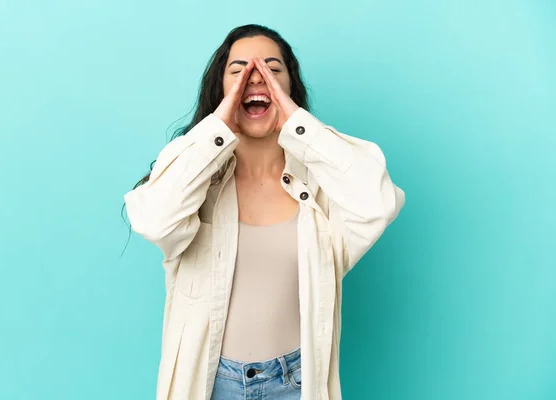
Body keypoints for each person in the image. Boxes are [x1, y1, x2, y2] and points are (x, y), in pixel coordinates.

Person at [124, 23, 405, 400]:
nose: (255, 79)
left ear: (290, 89)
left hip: (297, 382)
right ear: (220, 90)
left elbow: (378, 202)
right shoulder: (194, 181)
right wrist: (216, 129)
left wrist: (299, 125)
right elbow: (155, 220)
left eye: (273, 70)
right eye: (238, 71)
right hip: (211, 385)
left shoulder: (322, 190)